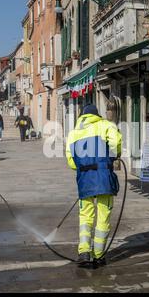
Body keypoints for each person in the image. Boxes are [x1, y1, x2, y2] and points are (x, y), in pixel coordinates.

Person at [66, 104, 122, 268]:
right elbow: (116, 144)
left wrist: (85, 165)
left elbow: (71, 162)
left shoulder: (73, 133)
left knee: (85, 216)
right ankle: (99, 255)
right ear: (97, 115)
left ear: (82, 116)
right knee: (103, 214)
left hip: (84, 179)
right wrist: (109, 158)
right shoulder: (105, 125)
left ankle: (84, 252)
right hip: (103, 177)